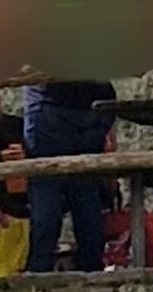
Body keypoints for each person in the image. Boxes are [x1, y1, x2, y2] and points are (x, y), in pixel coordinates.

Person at [22, 76, 116, 274]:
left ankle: (39, 270)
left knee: (47, 187)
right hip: (94, 105)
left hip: (50, 105)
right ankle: (92, 268)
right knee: (85, 189)